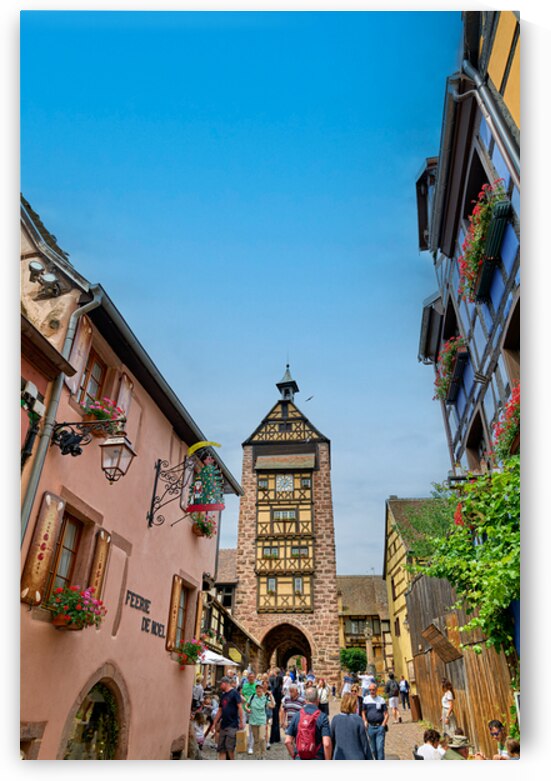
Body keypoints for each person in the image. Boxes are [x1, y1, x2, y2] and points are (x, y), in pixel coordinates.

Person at [284, 686, 332, 760]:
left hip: (300, 757)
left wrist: (295, 756)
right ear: (318, 700)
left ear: (305, 700)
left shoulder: (297, 715)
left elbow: (287, 741)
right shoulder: (323, 717)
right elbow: (327, 744)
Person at [209, 676, 245, 760]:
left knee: (230, 748)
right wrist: (214, 723)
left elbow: (240, 707)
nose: (220, 686)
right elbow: (220, 710)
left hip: (232, 725)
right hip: (223, 725)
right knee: (221, 749)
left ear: (225, 684)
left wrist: (241, 721)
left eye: (221, 684)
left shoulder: (234, 693)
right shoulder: (223, 695)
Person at [331, 693, 372, 760]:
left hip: (339, 757)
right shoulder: (358, 719)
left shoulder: (335, 719)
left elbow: (331, 742)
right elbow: (364, 743)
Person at [362, 681, 389, 760]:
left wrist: (383, 724)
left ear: (376, 690)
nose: (372, 691)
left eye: (373, 690)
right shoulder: (366, 700)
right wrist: (365, 721)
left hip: (379, 727)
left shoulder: (381, 700)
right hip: (370, 727)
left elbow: (386, 714)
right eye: (370, 690)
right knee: (372, 749)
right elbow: (363, 712)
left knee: (380, 748)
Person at [246, 682, 270, 759]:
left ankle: (263, 754)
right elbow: (246, 705)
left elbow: (272, 705)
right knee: (256, 740)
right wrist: (247, 709)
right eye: (257, 688)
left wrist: (271, 696)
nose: (258, 689)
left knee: (262, 738)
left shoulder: (265, 698)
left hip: (262, 720)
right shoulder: (252, 696)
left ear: (262, 689)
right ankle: (257, 755)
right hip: (253, 720)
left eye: (260, 688)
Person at [240, 670, 258, 754]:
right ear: (247, 678)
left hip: (252, 709)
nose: (251, 679)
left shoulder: (257, 686)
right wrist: (242, 698)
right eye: (249, 678)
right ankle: (241, 743)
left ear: (254, 678)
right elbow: (241, 694)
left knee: (251, 728)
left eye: (252, 678)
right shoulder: (245, 685)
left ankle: (250, 747)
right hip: (244, 708)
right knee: (242, 726)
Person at [269, 667, 284, 745]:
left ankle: (274, 738)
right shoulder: (279, 677)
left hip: (275, 700)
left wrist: (270, 693)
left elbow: (275, 688)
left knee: (275, 719)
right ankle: (276, 737)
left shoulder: (278, 678)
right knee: (276, 719)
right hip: (277, 699)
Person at [261, 678, 276, 751]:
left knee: (266, 728)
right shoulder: (259, 693)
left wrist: (269, 703)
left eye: (266, 684)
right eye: (263, 684)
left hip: (267, 712)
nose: (264, 686)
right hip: (260, 712)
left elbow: (273, 704)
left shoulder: (269, 693)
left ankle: (267, 742)